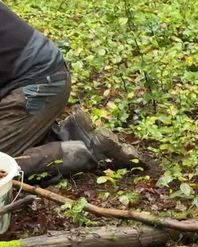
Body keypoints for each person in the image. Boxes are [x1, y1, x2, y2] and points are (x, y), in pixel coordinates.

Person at [0, 3, 141, 182]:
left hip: (38, 84)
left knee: (3, 165)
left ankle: (79, 153)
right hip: (45, 76)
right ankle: (68, 135)